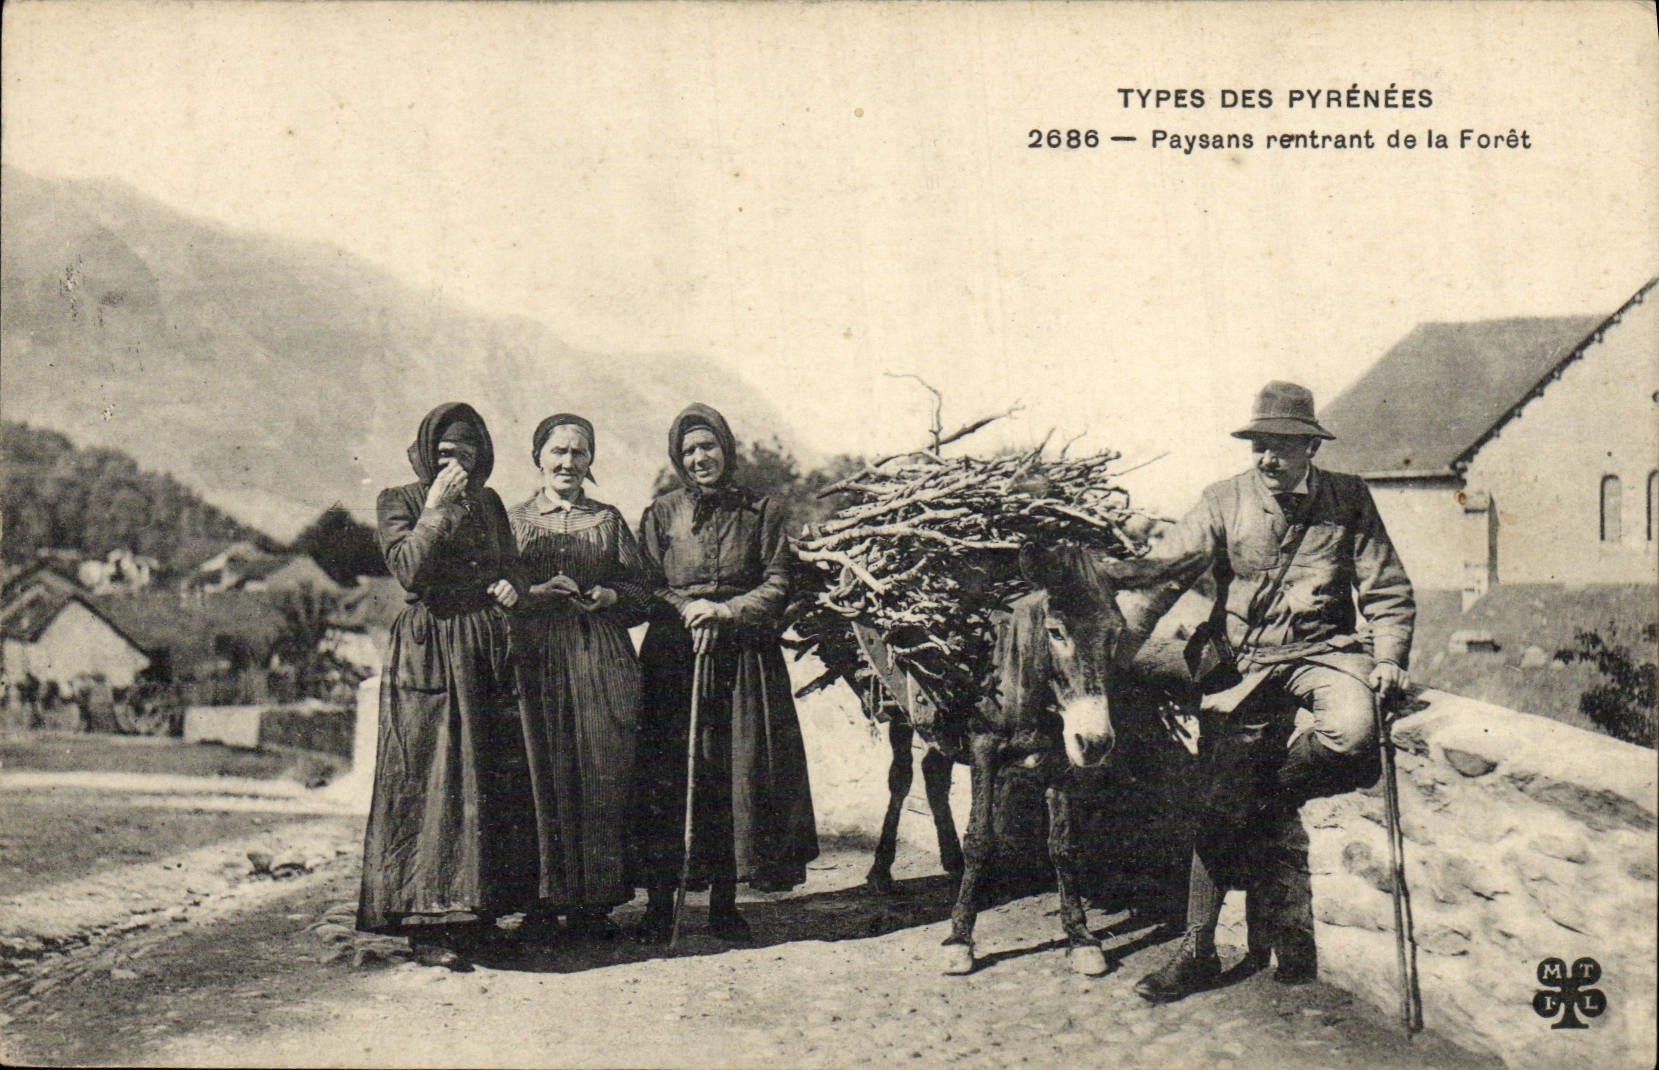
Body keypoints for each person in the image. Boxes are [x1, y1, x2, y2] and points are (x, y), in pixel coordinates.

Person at [1104, 380, 1415, 1002]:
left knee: (1353, 733)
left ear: (1309, 449)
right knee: (1221, 801)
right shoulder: (1223, 501)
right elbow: (1163, 578)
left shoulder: (1348, 498)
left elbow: (1386, 588)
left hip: (1325, 653)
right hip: (1242, 665)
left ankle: (1265, 796)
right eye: (1259, 446)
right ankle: (1195, 951)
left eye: (1281, 446)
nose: (1267, 458)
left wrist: (1389, 656)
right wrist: (1112, 649)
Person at [357, 402, 538, 971]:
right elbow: (410, 570)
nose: (452, 460)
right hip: (429, 650)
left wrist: (514, 584)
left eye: (463, 452)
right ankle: (422, 920)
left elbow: (515, 565)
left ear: (480, 455)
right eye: (441, 452)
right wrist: (434, 509)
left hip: (484, 650)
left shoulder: (488, 503)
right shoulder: (399, 500)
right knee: (430, 776)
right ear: (424, 454)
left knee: (484, 775)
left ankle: (477, 915)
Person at [628, 403, 818, 943]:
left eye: (707, 446)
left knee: (733, 774)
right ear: (677, 458)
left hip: (744, 661)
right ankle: (660, 905)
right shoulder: (660, 514)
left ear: (726, 449)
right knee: (670, 774)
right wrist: (689, 610)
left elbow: (779, 581)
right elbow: (647, 584)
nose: (699, 457)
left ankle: (724, 903)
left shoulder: (761, 512)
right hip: (674, 659)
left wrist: (727, 612)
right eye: (688, 450)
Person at [508, 414, 650, 940]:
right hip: (537, 662)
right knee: (539, 775)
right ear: (538, 457)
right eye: (558, 452)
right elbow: (498, 589)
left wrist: (612, 595)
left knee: (601, 772)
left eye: (579, 453)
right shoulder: (515, 520)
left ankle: (595, 905)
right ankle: (540, 904)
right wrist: (532, 594)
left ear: (591, 461)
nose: (568, 463)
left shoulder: (609, 521)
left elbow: (643, 592)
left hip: (601, 661)